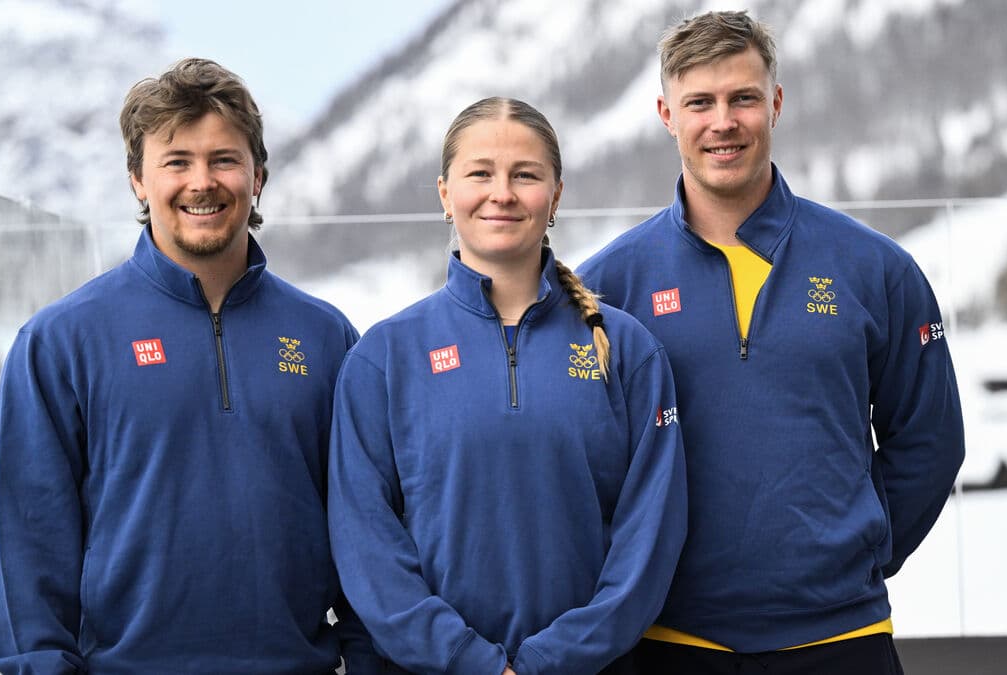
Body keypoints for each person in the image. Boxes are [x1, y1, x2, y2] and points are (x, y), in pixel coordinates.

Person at [577, 11, 965, 675]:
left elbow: (930, 440)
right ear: (667, 114)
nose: (722, 121)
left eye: (743, 98)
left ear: (775, 103)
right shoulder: (608, 287)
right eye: (700, 102)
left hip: (842, 638)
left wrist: (854, 547)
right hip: (670, 643)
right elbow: (581, 463)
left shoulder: (875, 268)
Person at [0, 58, 376, 674]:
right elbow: (26, 543)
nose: (203, 181)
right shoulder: (60, 341)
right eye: (176, 161)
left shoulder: (327, 338)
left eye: (224, 159)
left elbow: (366, 530)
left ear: (258, 175)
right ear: (138, 181)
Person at [327, 97, 687, 675]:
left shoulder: (629, 352)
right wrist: (469, 661)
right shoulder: (383, 358)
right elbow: (366, 546)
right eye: (480, 174)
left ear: (556, 195)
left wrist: (553, 659)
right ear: (445, 194)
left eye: (525, 175)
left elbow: (650, 540)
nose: (503, 193)